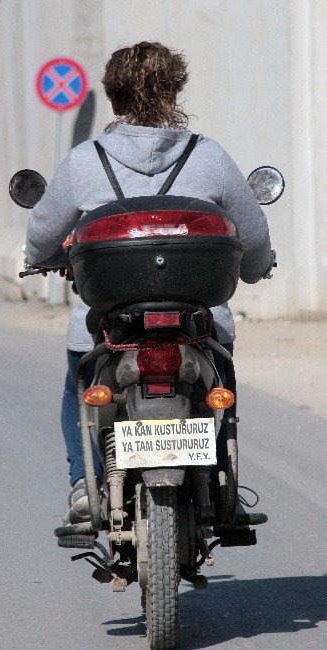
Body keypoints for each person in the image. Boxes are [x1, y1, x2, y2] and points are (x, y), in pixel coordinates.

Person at [25, 41, 272, 522]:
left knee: (76, 386)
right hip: (200, 324)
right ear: (176, 91)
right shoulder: (210, 156)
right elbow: (254, 235)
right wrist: (256, 267)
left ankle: (84, 483)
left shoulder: (85, 160)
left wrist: (42, 257)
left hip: (105, 328)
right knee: (221, 380)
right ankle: (222, 476)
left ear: (113, 100)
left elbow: (41, 237)